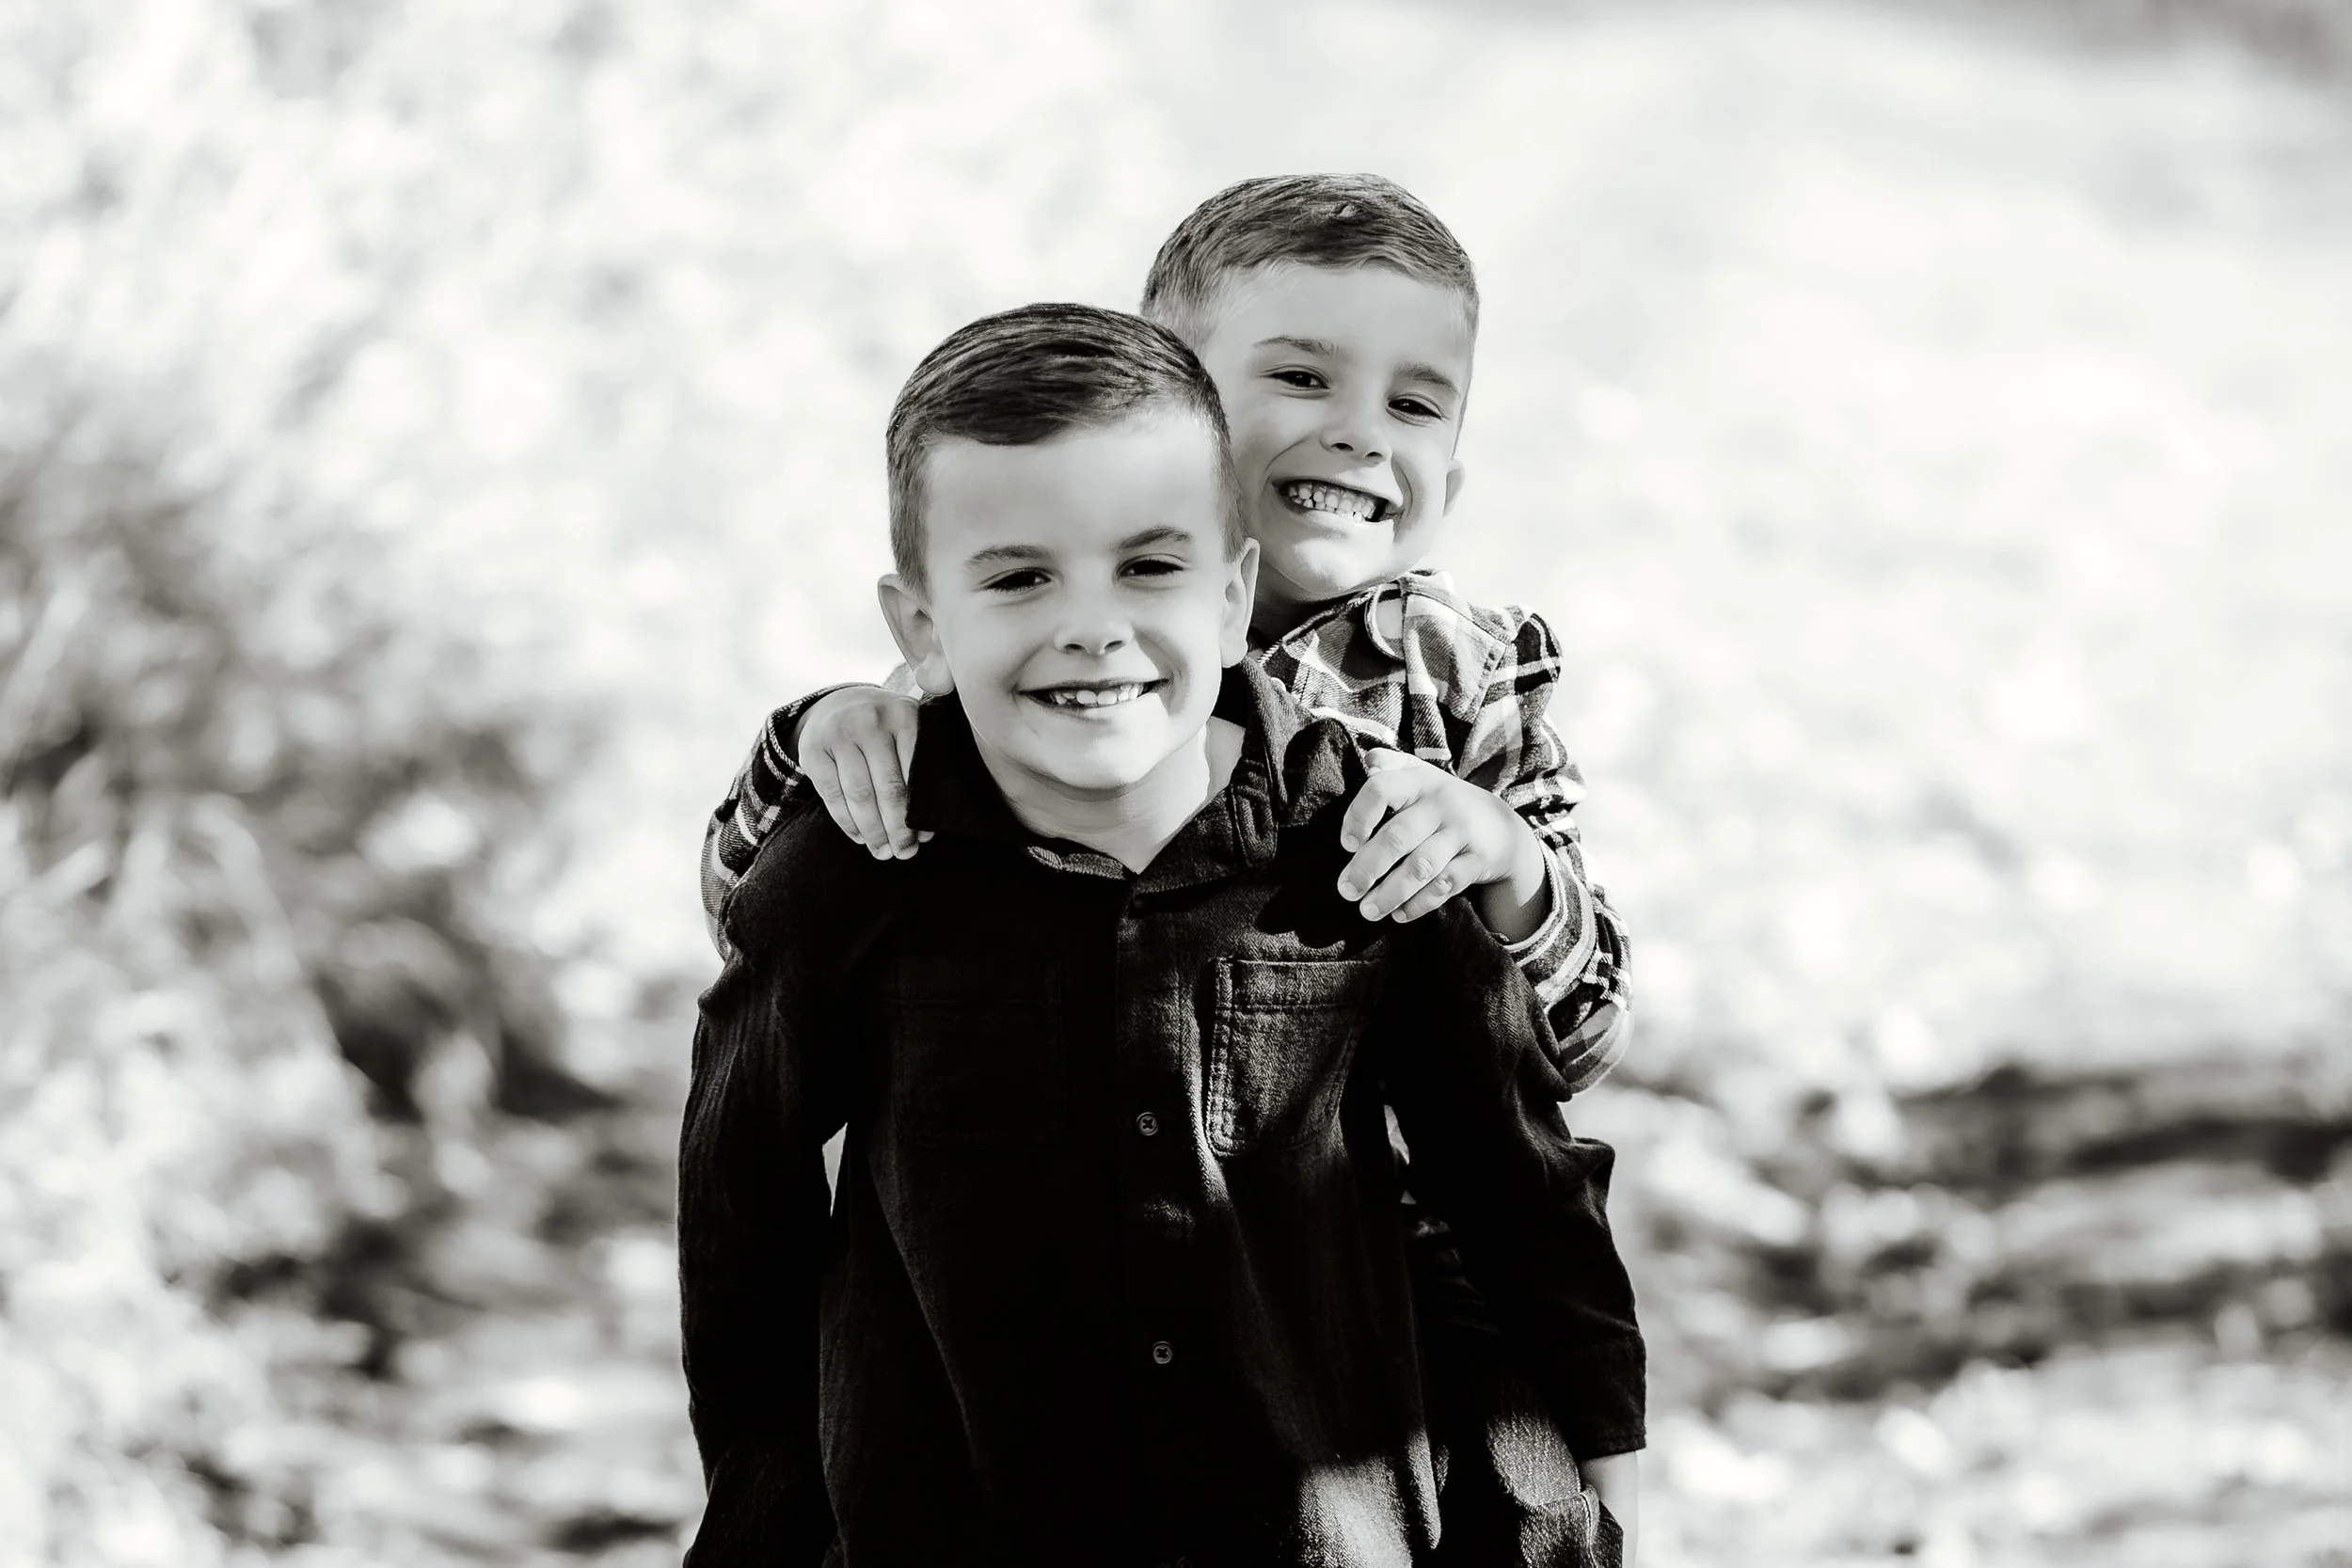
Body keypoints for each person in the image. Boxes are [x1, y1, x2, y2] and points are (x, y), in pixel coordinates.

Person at [699, 173, 1643, 1553]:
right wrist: (816, 739)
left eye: (1416, 404)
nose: (1358, 432)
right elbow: (766, 927)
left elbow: (1573, 1040)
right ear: (1172, 396)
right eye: (1303, 374)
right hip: (1042, 1249)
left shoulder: (1456, 671)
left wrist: (1501, 860)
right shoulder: (1008, 636)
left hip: (1381, 1278)